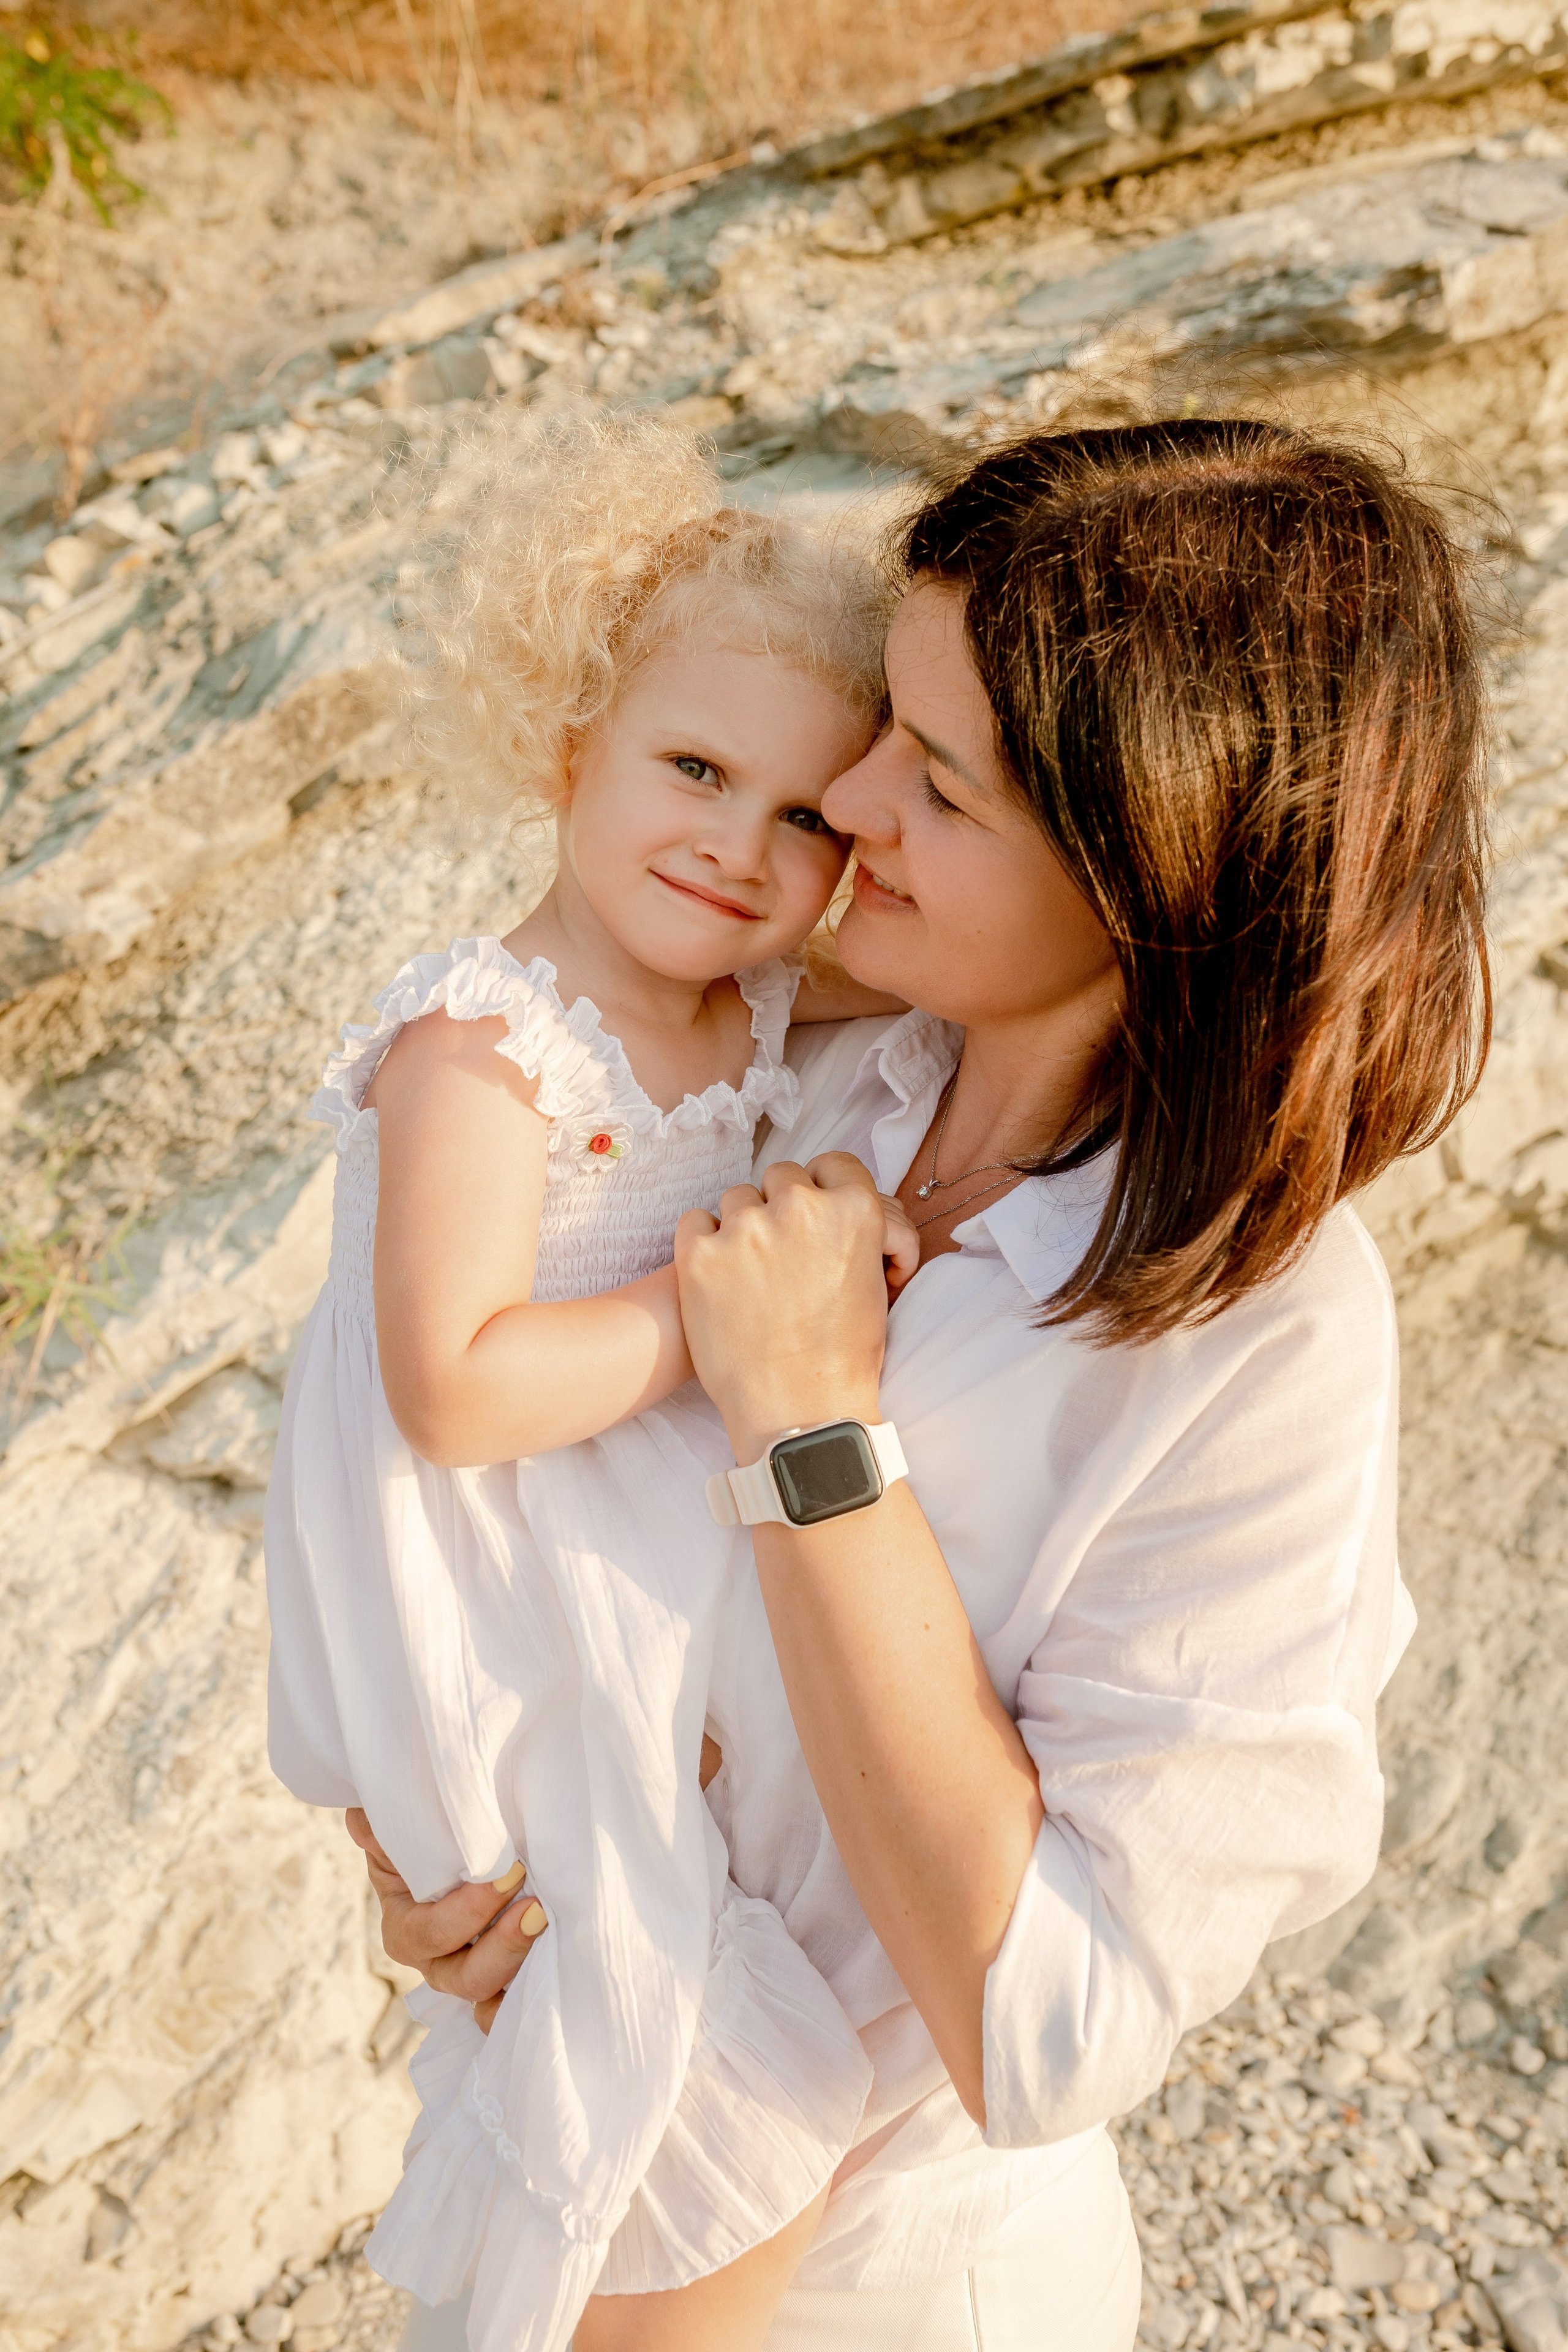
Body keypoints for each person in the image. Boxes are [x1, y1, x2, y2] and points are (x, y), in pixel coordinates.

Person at [350, 418, 1490, 2351]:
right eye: (891, 716)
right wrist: (468, 1849)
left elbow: (1048, 2028)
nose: (848, 795)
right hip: (555, 2159)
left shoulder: (1260, 1345)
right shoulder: (796, 1074)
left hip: (867, 2298)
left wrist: (812, 1435)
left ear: (1158, 877)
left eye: (938, 784)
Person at [265, 412, 922, 2352]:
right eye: (695, 769)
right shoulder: (487, 1044)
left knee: (698, 2010)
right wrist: (720, 1319)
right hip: (494, 1590)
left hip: (638, 1578)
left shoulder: (763, 1003)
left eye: (810, 816)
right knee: (664, 2028)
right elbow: (454, 1388)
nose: (741, 843)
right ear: (568, 744)